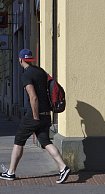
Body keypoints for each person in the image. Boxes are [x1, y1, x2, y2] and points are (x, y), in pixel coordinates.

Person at [0, 49, 70, 184]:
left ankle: (10, 172)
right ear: (31, 59)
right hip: (47, 114)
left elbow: (33, 97)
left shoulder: (26, 75)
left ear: (20, 60)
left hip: (34, 115)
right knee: (45, 141)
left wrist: (35, 116)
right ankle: (63, 167)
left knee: (19, 140)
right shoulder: (40, 71)